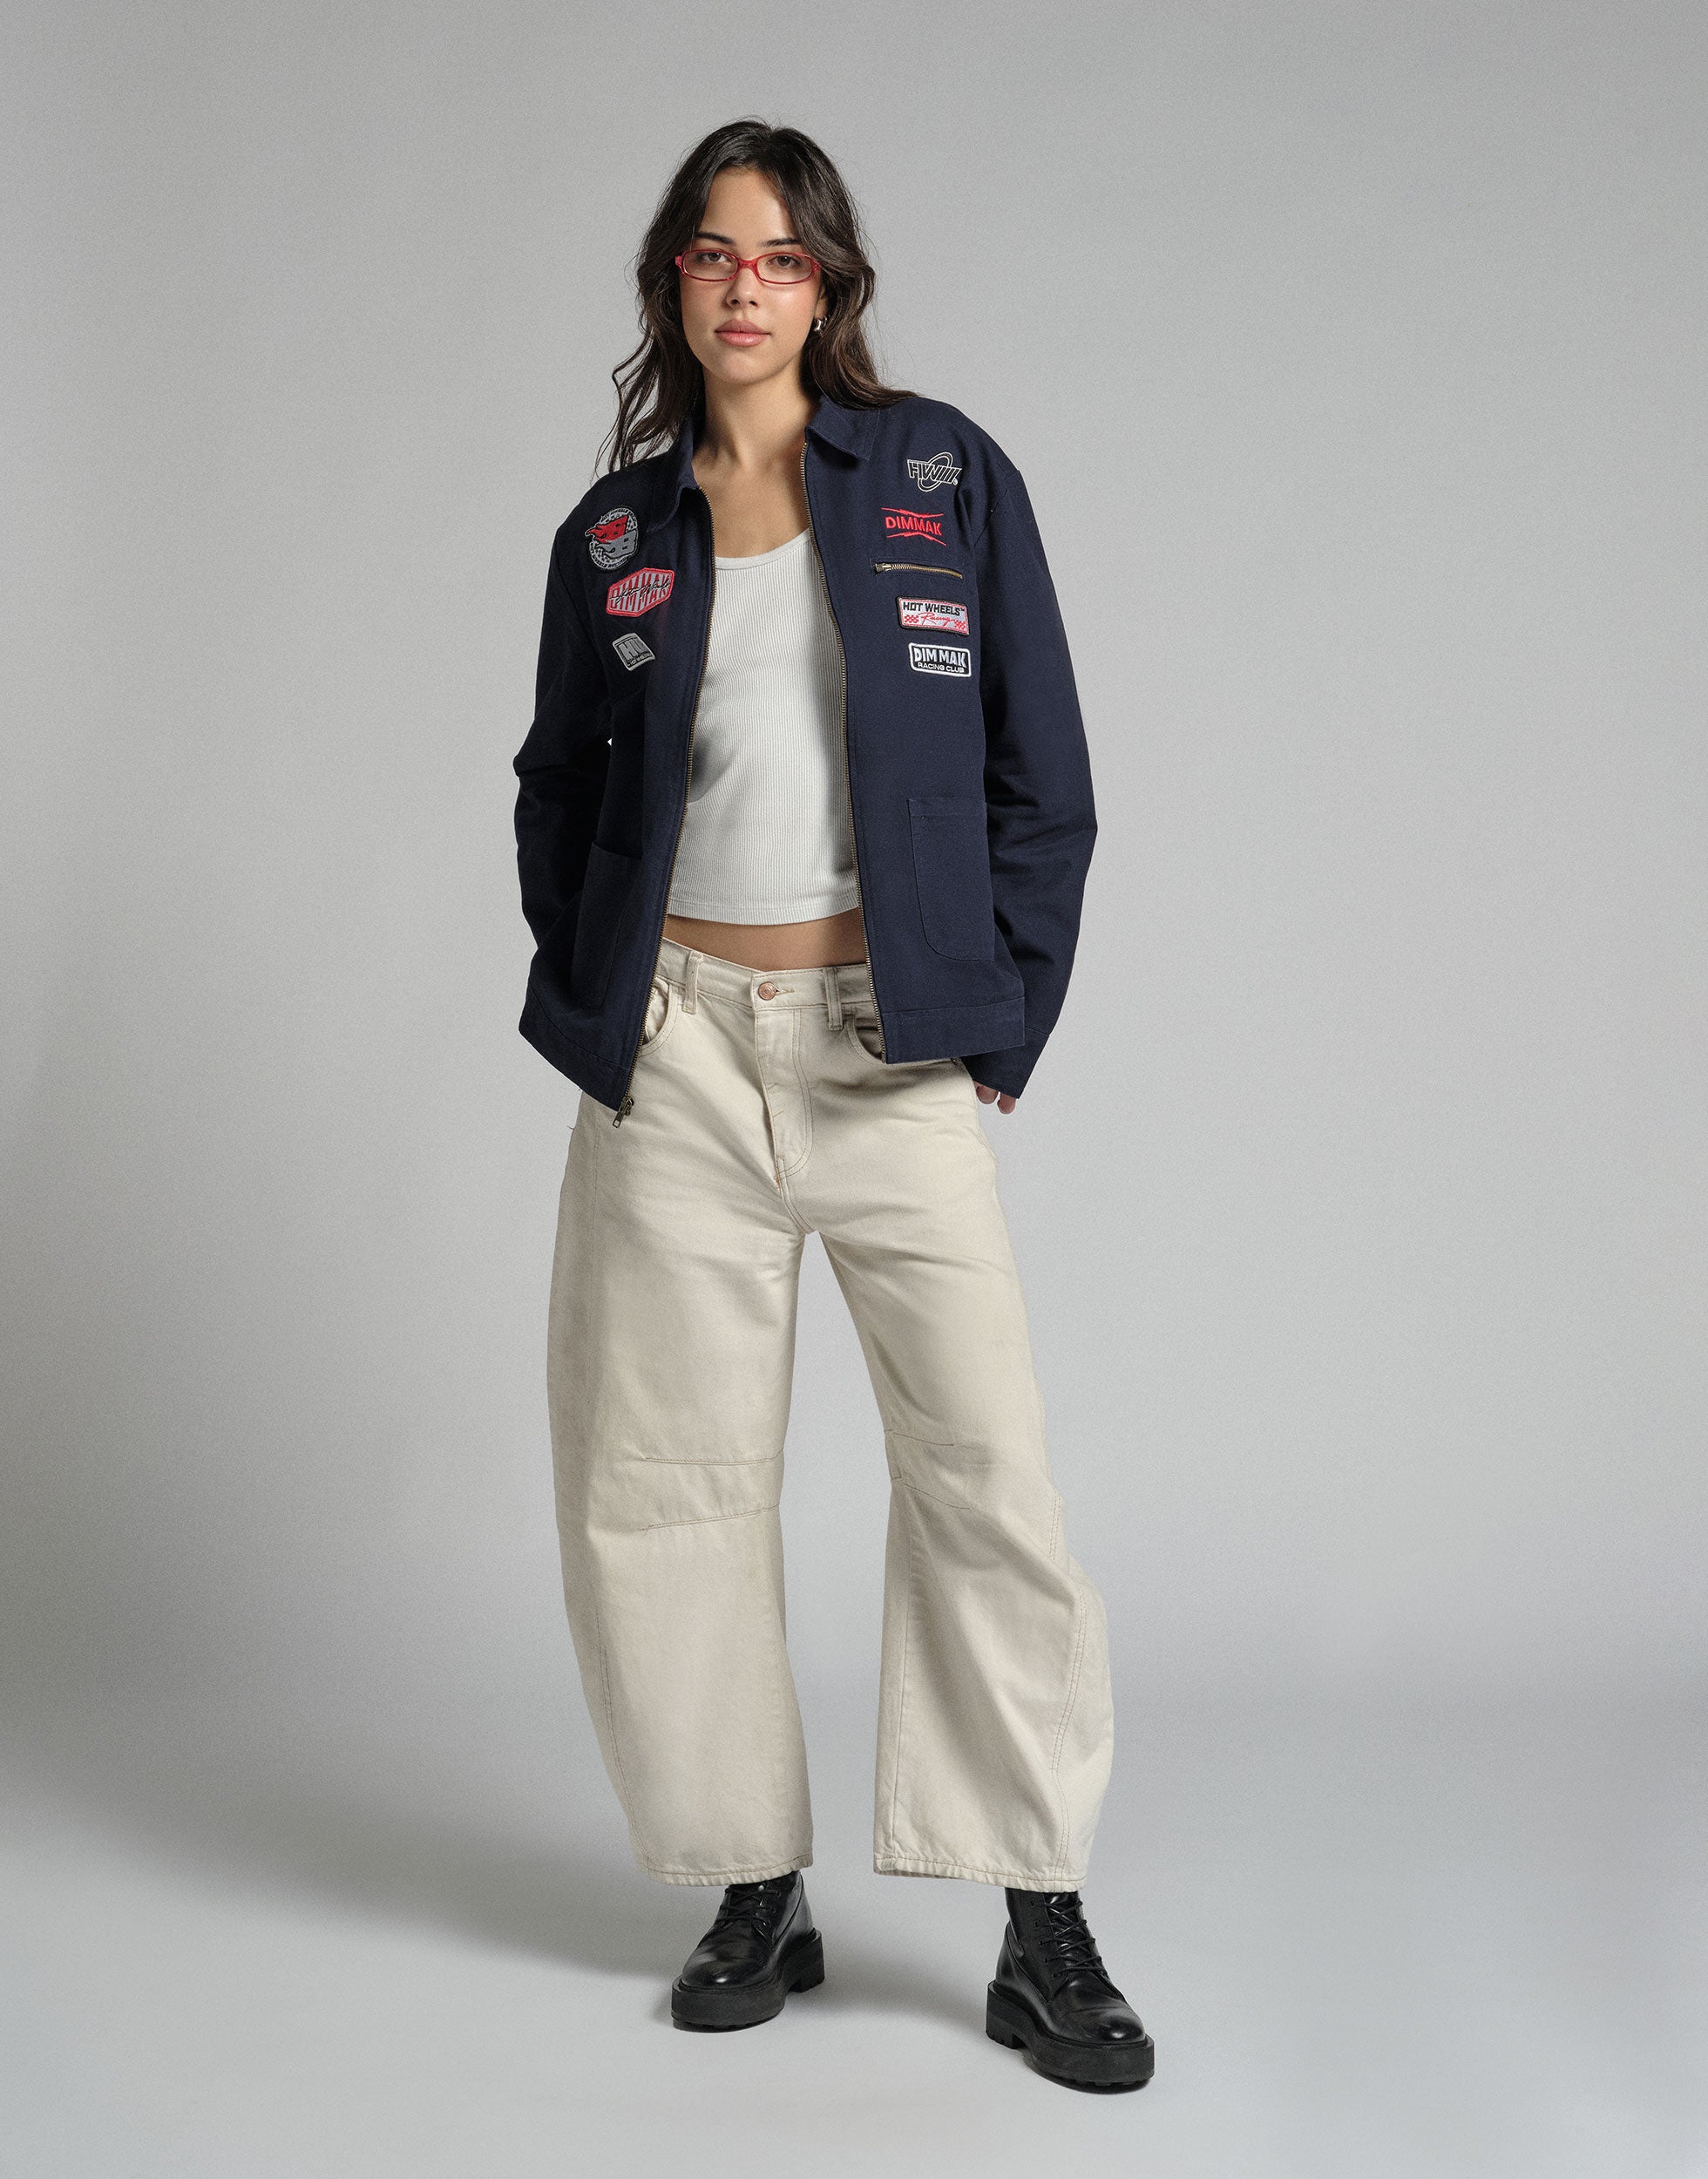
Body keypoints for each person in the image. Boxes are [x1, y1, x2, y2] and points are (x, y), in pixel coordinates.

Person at [511, 118, 1153, 2094]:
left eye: (778, 256)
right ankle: (753, 1884)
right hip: (681, 1059)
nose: (744, 287)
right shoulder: (616, 535)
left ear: (829, 286)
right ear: (672, 281)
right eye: (712, 254)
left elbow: (1045, 772)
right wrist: (613, 993)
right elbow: (556, 790)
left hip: (891, 1051)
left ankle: (1038, 1915)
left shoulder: (940, 476)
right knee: (667, 1482)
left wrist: (993, 1017)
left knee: (987, 1475)